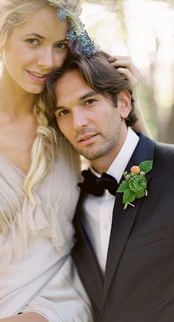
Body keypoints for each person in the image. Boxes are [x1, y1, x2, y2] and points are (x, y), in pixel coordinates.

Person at [0, 1, 146, 321]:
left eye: (60, 45)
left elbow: (144, 185)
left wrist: (132, 112)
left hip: (59, 298)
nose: (48, 61)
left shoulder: (67, 115)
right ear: (0, 36)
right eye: (33, 41)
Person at [45, 50, 174, 322]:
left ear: (124, 104)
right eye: (64, 112)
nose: (78, 123)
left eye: (89, 101)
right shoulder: (70, 205)